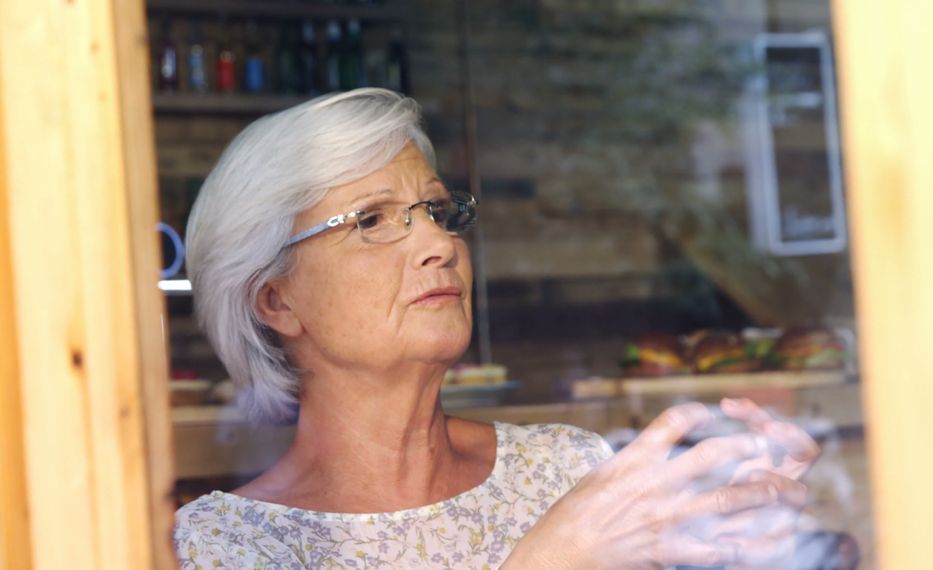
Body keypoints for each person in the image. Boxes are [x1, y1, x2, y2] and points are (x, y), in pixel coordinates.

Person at [173, 88, 818, 569]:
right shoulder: (224, 547)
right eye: (370, 220)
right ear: (276, 301)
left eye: (433, 209)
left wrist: (748, 534)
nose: (436, 242)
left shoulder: (567, 466)